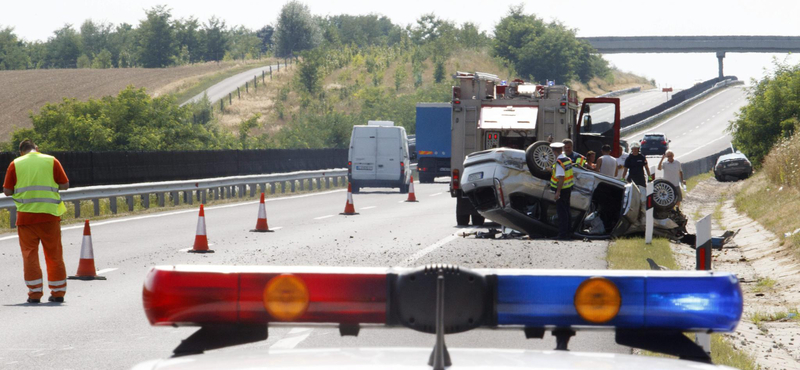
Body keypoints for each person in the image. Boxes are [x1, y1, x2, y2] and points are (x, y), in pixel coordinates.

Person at [3, 140, 69, 304]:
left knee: (30, 256)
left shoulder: (15, 164)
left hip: (26, 218)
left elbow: (7, 191)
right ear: (37, 149)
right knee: (54, 255)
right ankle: (58, 292)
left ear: (21, 152)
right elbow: (65, 185)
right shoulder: (51, 160)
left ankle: (34, 294)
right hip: (49, 216)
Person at [550, 142, 574, 240]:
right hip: (568, 188)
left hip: (562, 190)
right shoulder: (567, 159)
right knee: (567, 211)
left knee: (562, 213)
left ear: (554, 151)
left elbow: (561, 177)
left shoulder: (559, 162)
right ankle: (568, 232)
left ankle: (562, 234)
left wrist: (558, 192)